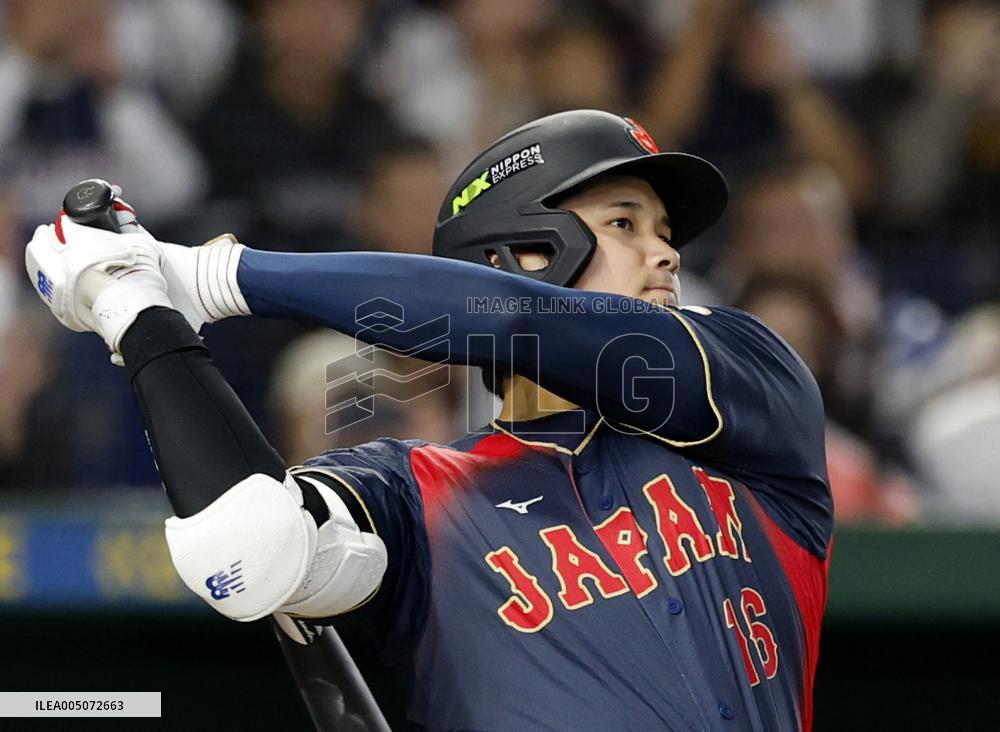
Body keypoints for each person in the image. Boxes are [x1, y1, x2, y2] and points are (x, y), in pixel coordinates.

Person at [25, 111, 832, 730]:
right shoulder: (416, 490)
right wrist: (135, 306)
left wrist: (214, 274)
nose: (668, 256)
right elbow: (248, 550)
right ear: (518, 253)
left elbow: (520, 324)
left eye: (665, 234)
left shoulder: (747, 385)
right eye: (625, 225)